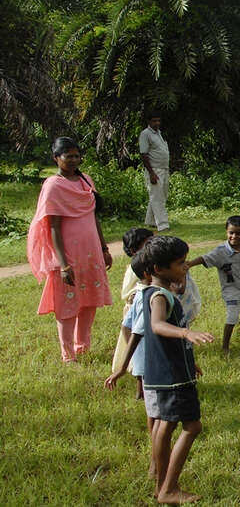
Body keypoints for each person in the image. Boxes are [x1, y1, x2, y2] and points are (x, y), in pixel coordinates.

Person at [137, 235, 214, 503]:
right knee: (192, 426)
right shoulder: (160, 296)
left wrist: (190, 360)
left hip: (163, 372)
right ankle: (168, 488)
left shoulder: (150, 291)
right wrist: (186, 333)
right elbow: (158, 325)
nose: (185, 266)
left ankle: (161, 486)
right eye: (180, 263)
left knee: (164, 424)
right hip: (173, 377)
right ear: (159, 269)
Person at [27, 137, 113, 363]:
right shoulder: (53, 186)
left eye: (77, 156)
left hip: (91, 251)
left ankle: (83, 347)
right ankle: (68, 355)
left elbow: (94, 217)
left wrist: (104, 248)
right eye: (68, 156)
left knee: (89, 301)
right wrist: (63, 265)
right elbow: (53, 227)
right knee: (67, 305)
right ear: (56, 158)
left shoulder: (85, 180)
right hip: (68, 255)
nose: (74, 160)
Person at [104, 251, 159, 476]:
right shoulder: (150, 297)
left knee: (157, 412)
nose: (184, 267)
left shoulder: (145, 294)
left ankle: (157, 457)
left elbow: (126, 326)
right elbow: (134, 331)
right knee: (156, 414)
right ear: (151, 272)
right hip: (154, 364)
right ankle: (156, 460)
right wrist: (126, 364)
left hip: (155, 362)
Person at [186, 215, 240, 355]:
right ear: (226, 232)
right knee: (231, 319)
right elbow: (204, 258)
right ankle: (225, 346)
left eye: (239, 233)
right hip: (232, 293)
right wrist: (190, 264)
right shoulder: (220, 252)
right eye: (231, 232)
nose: (234, 236)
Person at [112, 227, 153, 382]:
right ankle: (137, 371)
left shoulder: (151, 265)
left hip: (148, 308)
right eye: (147, 244)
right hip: (136, 311)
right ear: (134, 250)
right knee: (137, 344)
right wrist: (136, 295)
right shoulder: (134, 268)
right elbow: (127, 292)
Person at [139, 111, 171, 232]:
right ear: (149, 122)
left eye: (158, 120)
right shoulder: (145, 134)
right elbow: (144, 154)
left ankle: (151, 221)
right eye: (154, 121)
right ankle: (163, 225)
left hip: (164, 169)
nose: (157, 123)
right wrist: (151, 173)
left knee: (161, 195)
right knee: (157, 197)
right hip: (154, 170)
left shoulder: (159, 133)